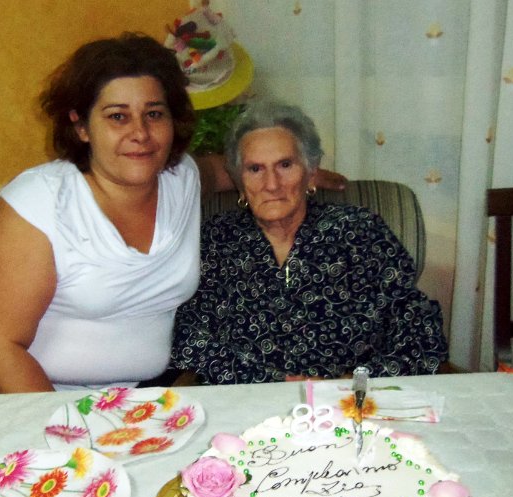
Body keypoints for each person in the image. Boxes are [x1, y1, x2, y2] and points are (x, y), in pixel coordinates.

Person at [0, 34, 347, 394]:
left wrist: (293, 172)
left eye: (154, 114)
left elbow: (223, 169)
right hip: (26, 398)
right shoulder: (38, 203)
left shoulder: (181, 179)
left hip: (144, 399)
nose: (140, 133)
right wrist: (71, 431)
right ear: (81, 127)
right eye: (118, 116)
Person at [171, 102, 448, 384]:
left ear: (311, 172)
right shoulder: (216, 240)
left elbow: (418, 328)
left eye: (285, 165)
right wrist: (272, 382)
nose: (272, 184)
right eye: (255, 169)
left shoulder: (360, 231)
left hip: (348, 400)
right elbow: (188, 336)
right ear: (239, 181)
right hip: (247, 399)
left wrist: (349, 383)